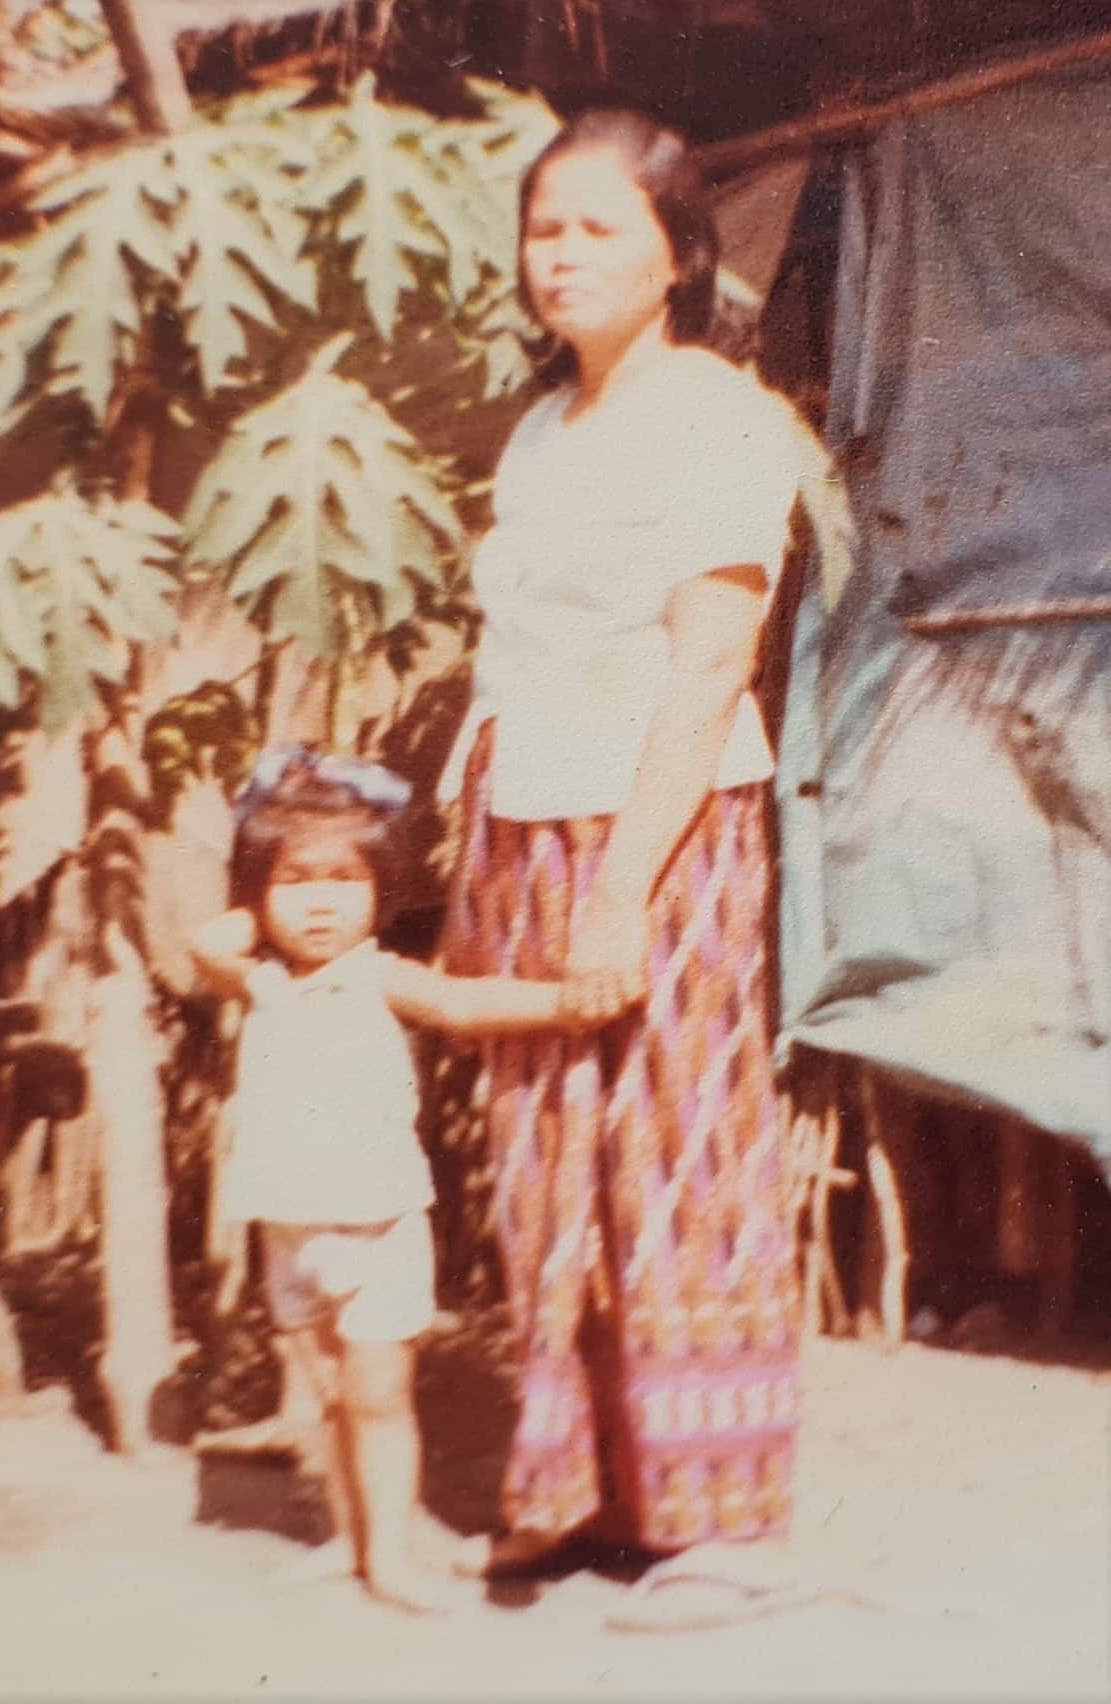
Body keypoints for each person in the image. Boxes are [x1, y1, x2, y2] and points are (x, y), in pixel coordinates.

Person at [439, 108, 835, 1626]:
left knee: (675, 1149)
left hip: (658, 831)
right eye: (545, 225)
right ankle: (583, 1487)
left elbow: (709, 661)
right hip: (524, 822)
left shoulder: (716, 419)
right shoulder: (544, 430)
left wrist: (621, 889)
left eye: (600, 227)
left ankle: (725, 1526)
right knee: (546, 1156)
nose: (562, 253)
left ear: (678, 256)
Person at [191, 746, 626, 1616]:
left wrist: (570, 1005)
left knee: (379, 1396)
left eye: (347, 880)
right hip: (288, 1230)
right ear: (258, 894)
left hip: (378, 1228)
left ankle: (387, 1555)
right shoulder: (262, 985)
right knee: (325, 1400)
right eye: (297, 882)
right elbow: (207, 943)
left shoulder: (377, 976)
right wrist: (267, 863)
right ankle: (347, 1541)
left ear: (381, 891)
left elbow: (465, 1006)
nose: (321, 900)